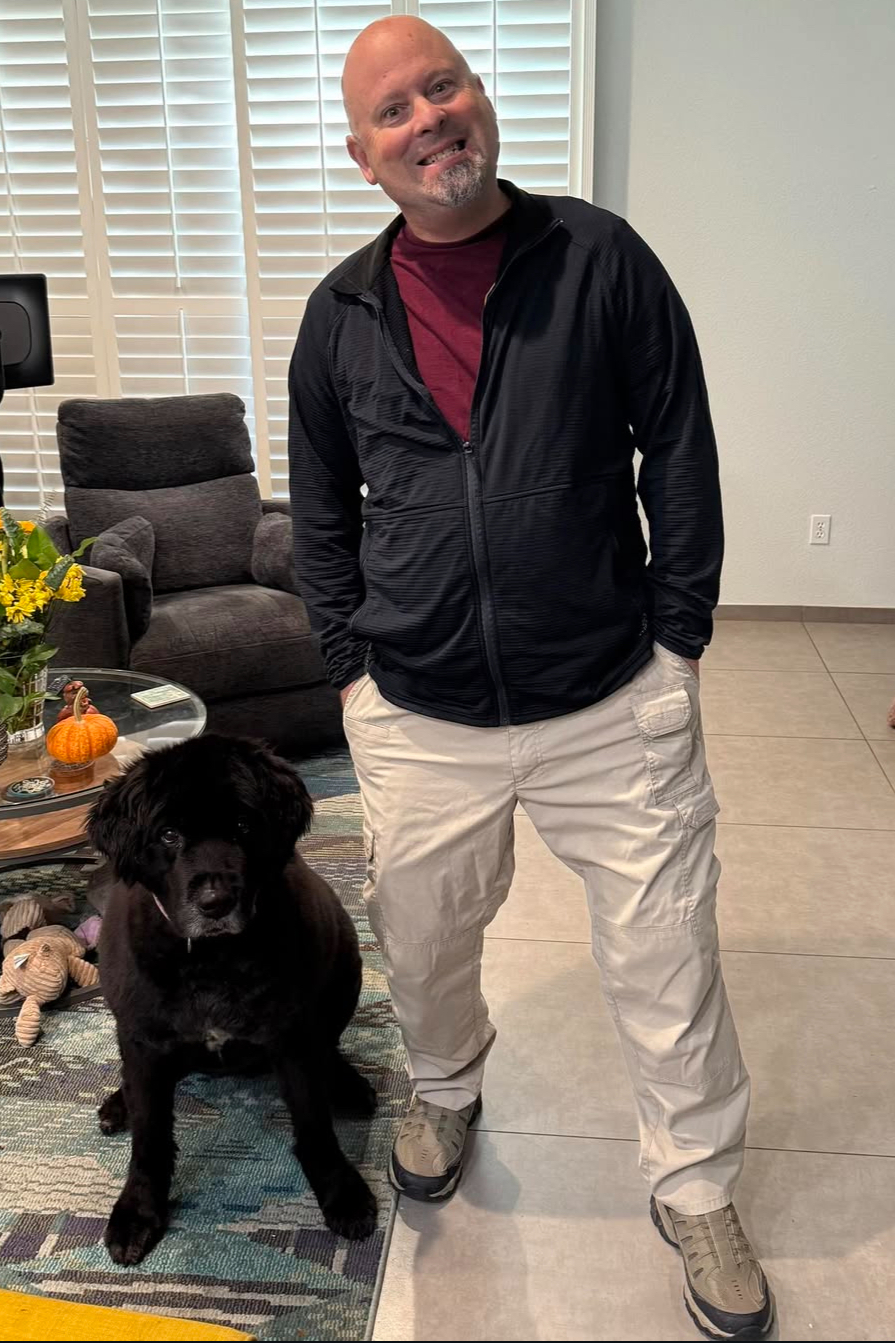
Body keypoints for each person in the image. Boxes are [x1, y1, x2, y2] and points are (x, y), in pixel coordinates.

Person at [288, 16, 773, 1340]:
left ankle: (697, 1186)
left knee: (668, 954)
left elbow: (680, 449)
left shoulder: (601, 260)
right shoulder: (338, 315)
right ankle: (446, 1088)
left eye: (442, 86)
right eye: (394, 110)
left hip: (610, 695)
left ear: (480, 96)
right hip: (420, 707)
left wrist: (678, 641)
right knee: (427, 941)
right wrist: (352, 673)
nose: (429, 118)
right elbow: (320, 510)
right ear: (364, 157)